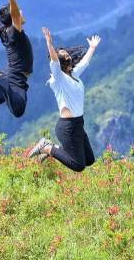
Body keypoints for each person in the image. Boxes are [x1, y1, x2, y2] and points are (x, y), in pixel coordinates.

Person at [28, 27, 100, 172]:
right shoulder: (58, 78)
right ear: (60, 61)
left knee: (89, 160)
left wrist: (92, 47)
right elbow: (54, 62)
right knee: (78, 166)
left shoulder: (73, 75)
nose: (67, 55)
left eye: (66, 53)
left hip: (78, 124)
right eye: (63, 55)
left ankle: (53, 151)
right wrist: (49, 43)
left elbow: (84, 62)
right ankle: (47, 147)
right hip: (68, 127)